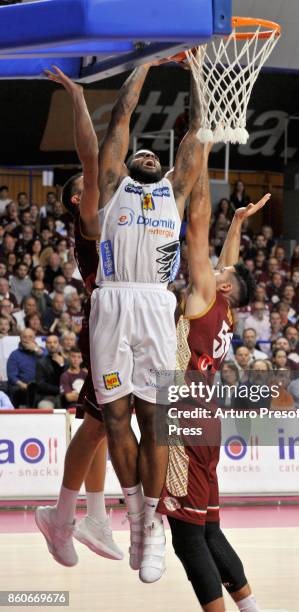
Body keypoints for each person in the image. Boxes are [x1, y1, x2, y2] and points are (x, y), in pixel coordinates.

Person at [89, 58, 206, 583]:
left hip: (157, 305)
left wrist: (199, 74)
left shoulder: (173, 191)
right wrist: (146, 61)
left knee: (153, 417)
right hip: (112, 303)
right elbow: (120, 117)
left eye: (154, 152)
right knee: (116, 416)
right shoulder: (113, 183)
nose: (147, 152)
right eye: (140, 151)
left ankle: (154, 522)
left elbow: (197, 136)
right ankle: (135, 515)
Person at [158, 146, 268, 612]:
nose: (212, 267)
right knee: (207, 528)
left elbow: (198, 231)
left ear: (221, 285)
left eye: (218, 271)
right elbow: (227, 258)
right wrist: (239, 222)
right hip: (206, 418)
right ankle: (251, 607)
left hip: (184, 418)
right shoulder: (220, 306)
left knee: (187, 537)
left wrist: (198, 160)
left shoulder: (208, 294)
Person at [35, 66, 122, 568]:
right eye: (91, 186)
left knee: (102, 423)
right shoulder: (91, 219)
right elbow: (92, 158)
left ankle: (93, 516)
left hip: (120, 319)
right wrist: (78, 98)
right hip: (106, 320)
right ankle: (73, 515)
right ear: (78, 198)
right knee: (101, 422)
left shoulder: (122, 218)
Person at [7, 328, 43, 406]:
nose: (27, 339)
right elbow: (12, 376)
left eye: (30, 337)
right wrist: (23, 385)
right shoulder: (14, 355)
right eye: (24, 337)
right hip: (22, 387)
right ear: (20, 339)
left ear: (34, 338)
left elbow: (48, 359)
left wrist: (36, 349)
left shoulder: (42, 351)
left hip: (41, 386)